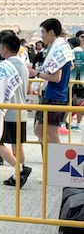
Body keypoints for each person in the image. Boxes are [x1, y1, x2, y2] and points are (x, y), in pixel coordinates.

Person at [30, 18, 74, 172]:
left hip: (55, 96)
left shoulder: (59, 50)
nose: (41, 36)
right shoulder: (60, 47)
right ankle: (51, 166)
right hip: (52, 94)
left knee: (51, 133)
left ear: (51, 32)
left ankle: (57, 169)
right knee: (40, 130)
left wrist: (36, 73)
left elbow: (56, 77)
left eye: (43, 32)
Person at [0, 33, 32, 187]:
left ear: (5, 49)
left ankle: (20, 169)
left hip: (6, 112)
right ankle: (18, 174)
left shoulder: (4, 67)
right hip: (21, 110)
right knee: (17, 145)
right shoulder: (24, 66)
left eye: (0, 46)